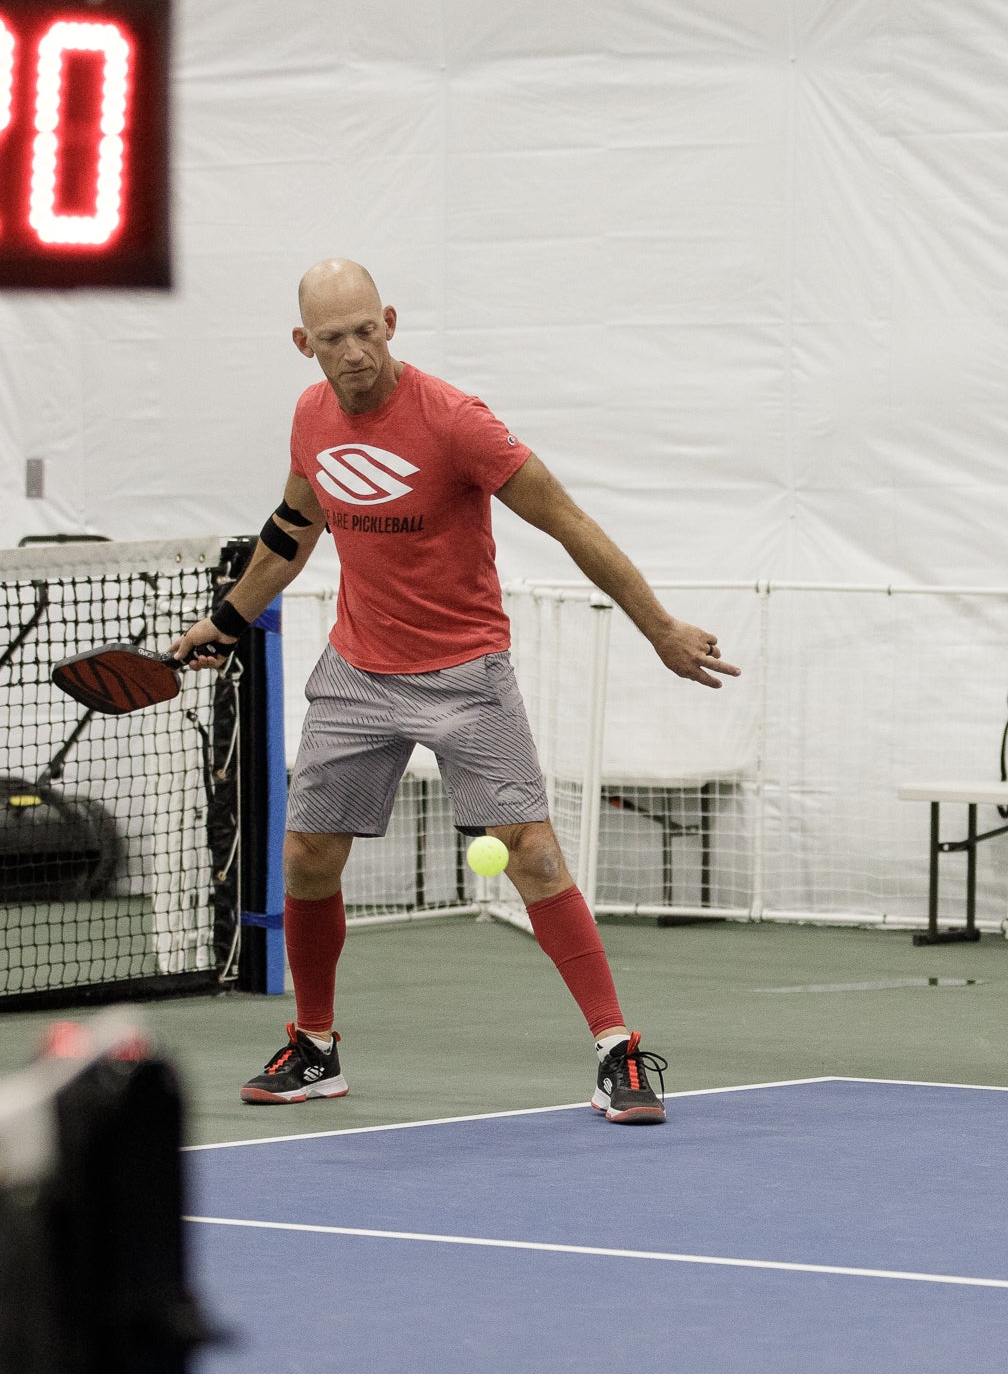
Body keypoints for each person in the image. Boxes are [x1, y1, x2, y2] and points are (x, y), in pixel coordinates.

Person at [176, 258, 739, 1124]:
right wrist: (228, 618)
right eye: (335, 338)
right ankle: (315, 1046)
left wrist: (659, 627)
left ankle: (616, 1050)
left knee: (537, 856)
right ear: (305, 345)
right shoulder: (311, 417)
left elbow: (568, 521)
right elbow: (293, 529)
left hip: (466, 673)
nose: (356, 351)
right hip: (359, 672)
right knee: (307, 859)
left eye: (368, 329)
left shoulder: (456, 422)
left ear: (391, 320)